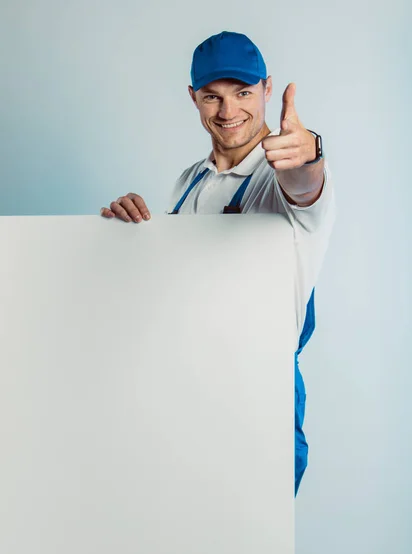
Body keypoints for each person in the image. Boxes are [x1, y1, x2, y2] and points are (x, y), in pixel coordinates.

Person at [100, 31, 335, 495]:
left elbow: (306, 189)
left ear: (268, 90)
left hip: (260, 401)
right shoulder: (189, 181)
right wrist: (124, 235)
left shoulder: (281, 173)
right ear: (194, 98)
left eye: (243, 93)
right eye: (213, 97)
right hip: (185, 395)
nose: (228, 113)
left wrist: (310, 158)